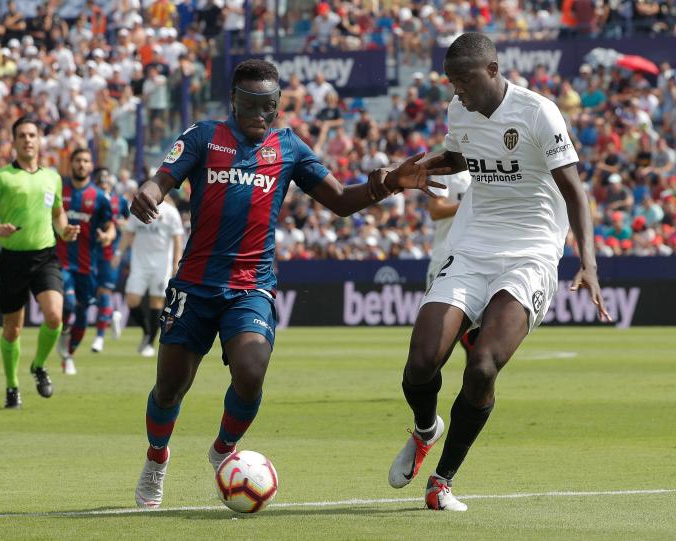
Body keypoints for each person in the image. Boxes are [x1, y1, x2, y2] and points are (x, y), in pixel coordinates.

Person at [128, 59, 445, 508]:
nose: (262, 115)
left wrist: (389, 183)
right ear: (234, 102)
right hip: (194, 286)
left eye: (270, 106)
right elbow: (163, 178)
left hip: (251, 288)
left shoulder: (289, 146)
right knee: (170, 388)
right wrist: (150, 191)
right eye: (253, 105)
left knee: (252, 372)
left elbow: (337, 200)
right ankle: (156, 459)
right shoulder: (204, 136)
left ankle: (222, 450)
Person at [382, 33, 611, 512]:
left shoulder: (538, 112)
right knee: (421, 362)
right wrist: (421, 166)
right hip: (473, 246)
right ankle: (426, 429)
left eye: (463, 80)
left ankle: (442, 481)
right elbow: (464, 156)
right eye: (451, 82)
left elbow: (575, 192)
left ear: (492, 70)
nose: (456, 90)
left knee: (483, 365)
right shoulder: (458, 110)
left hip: (530, 252)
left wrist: (587, 261)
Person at [0, 116, 79, 409]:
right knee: (12, 329)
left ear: (39, 140)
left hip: (44, 256)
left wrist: (65, 230)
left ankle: (39, 365)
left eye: (32, 135)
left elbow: (57, 213)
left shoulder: (52, 177)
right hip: (12, 260)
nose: (28, 140)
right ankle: (12, 386)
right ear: (14, 141)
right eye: (22, 135)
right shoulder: (2, 177)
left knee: (55, 316)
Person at [55, 148, 115, 375]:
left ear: (91, 166)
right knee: (68, 304)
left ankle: (68, 355)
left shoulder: (99, 197)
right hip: (61, 262)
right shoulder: (60, 191)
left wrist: (107, 236)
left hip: (87, 265)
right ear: (71, 164)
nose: (82, 164)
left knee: (81, 315)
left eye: (86, 161)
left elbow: (109, 225)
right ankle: (61, 331)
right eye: (78, 160)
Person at [112, 194, 183, 357]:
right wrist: (118, 253)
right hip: (139, 263)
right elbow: (129, 233)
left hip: (161, 265)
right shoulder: (139, 209)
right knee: (132, 299)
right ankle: (146, 331)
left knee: (156, 302)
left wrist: (176, 262)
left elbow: (177, 239)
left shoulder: (171, 212)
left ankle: (149, 343)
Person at [426, 170, 480, 351]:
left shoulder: (489, 162)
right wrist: (472, 203)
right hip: (446, 256)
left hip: (478, 257)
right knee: (436, 336)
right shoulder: (447, 171)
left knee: (478, 338)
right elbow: (435, 210)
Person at [91, 169, 130, 353]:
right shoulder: (90, 197)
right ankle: (112, 314)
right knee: (93, 292)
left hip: (110, 251)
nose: (104, 183)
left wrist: (123, 224)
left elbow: (132, 221)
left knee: (104, 290)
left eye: (107, 181)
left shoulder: (119, 200)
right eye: (101, 181)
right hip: (89, 250)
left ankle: (99, 338)